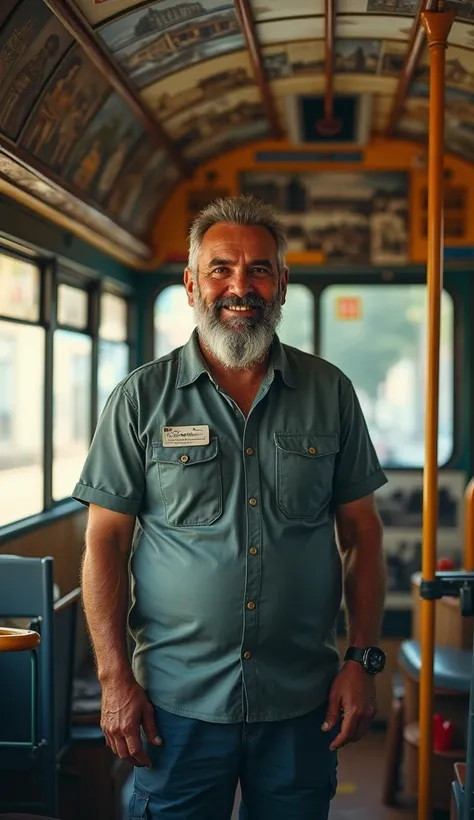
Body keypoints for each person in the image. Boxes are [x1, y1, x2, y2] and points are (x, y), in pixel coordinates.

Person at [73, 194, 388, 820]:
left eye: (259, 269)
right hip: (175, 705)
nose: (239, 286)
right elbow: (104, 542)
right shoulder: (141, 400)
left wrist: (362, 660)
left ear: (283, 284)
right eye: (221, 268)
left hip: (303, 701)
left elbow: (363, 534)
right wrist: (114, 681)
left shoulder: (331, 393)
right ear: (192, 284)